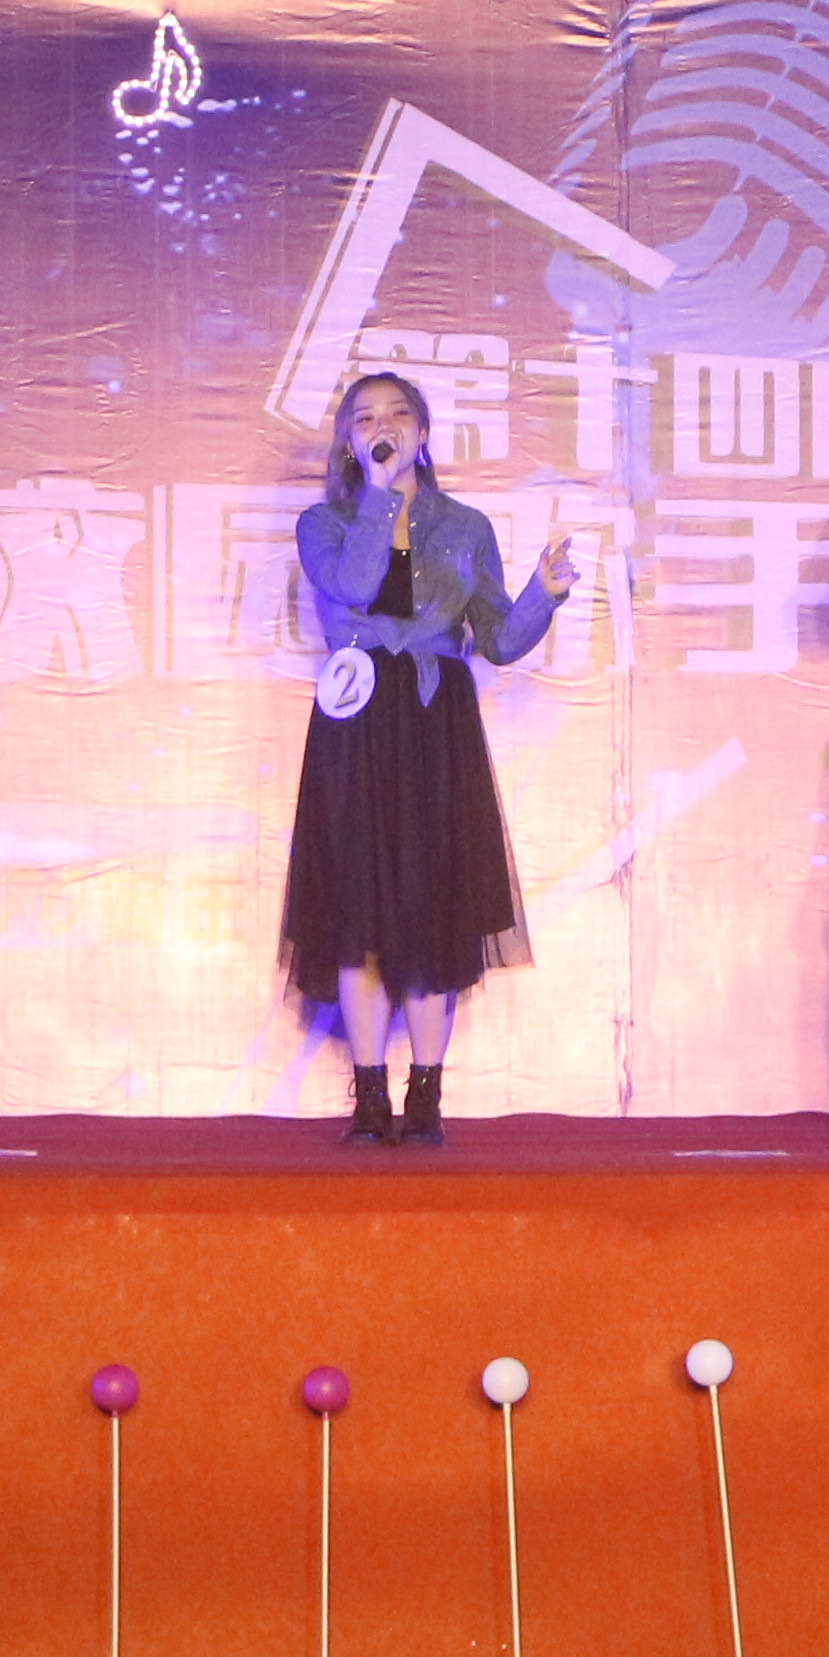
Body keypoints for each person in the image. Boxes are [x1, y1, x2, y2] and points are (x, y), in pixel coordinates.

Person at [286, 369, 576, 1147]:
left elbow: (500, 641)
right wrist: (381, 495)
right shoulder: (324, 522)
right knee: (357, 914)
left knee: (429, 907)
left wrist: (542, 593)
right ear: (349, 441)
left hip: (434, 721)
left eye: (398, 415)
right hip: (356, 720)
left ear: (422, 432)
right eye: (365, 419)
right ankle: (368, 1099)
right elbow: (354, 582)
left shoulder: (466, 526)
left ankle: (425, 1097)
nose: (383, 427)